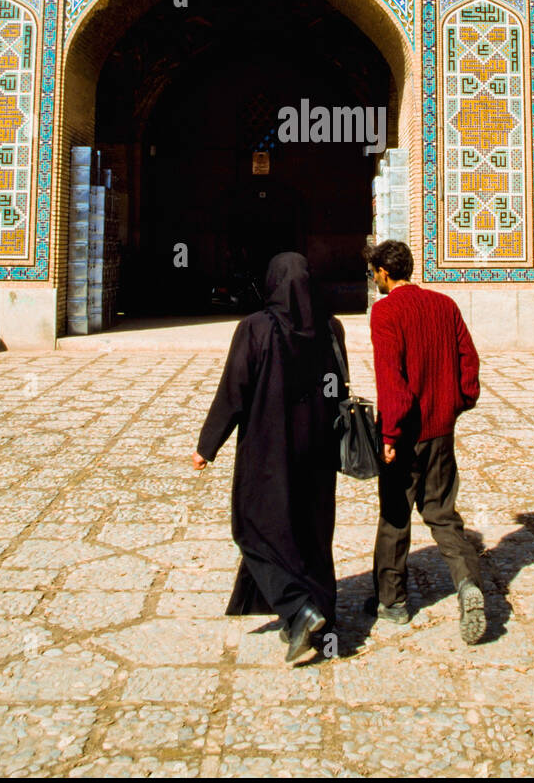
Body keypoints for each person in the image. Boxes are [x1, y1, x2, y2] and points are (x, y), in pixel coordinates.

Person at [191, 251, 346, 665]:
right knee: (312, 528)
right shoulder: (331, 327)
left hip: (268, 447)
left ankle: (298, 609)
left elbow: (234, 391)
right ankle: (322, 616)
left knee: (254, 525)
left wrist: (208, 445)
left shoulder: (255, 329)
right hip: (317, 449)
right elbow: (338, 389)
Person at [366, 239, 485, 644]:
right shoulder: (445, 305)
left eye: (374, 273)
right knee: (442, 511)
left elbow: (391, 378)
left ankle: (392, 602)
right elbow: (469, 358)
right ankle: (468, 583)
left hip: (407, 434)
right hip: (441, 430)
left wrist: (390, 434)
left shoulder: (385, 311)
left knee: (395, 515)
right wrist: (459, 402)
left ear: (383, 272)